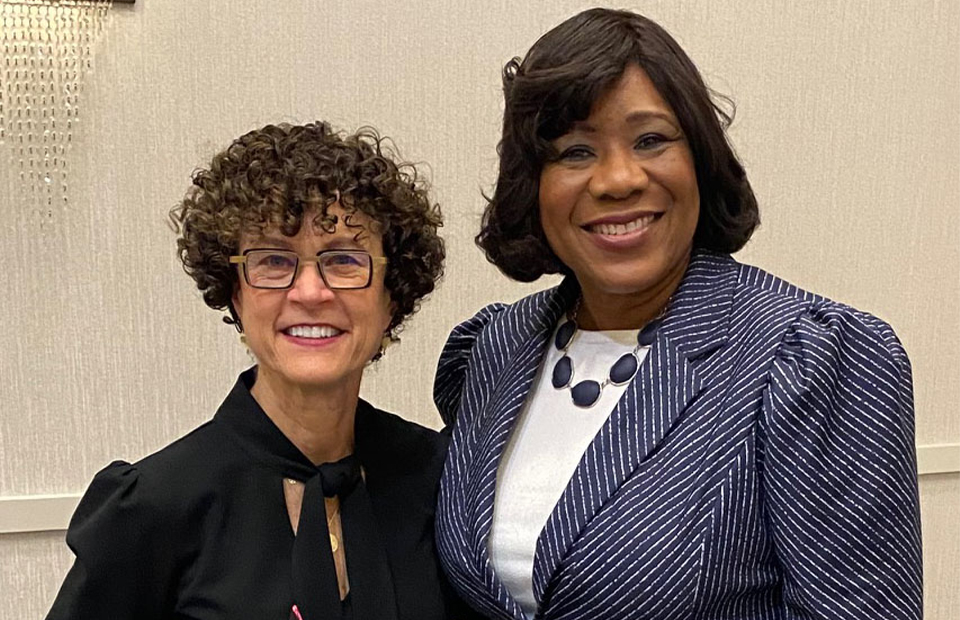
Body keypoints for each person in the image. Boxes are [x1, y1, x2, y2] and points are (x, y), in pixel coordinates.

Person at [434, 8, 922, 620]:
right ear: (532, 182)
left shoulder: (813, 359)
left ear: (701, 159)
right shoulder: (491, 349)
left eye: (651, 140)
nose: (617, 179)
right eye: (575, 150)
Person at [47, 121, 476, 620]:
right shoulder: (154, 506)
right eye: (274, 260)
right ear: (235, 293)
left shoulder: (442, 479)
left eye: (343, 261)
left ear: (391, 297)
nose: (311, 293)